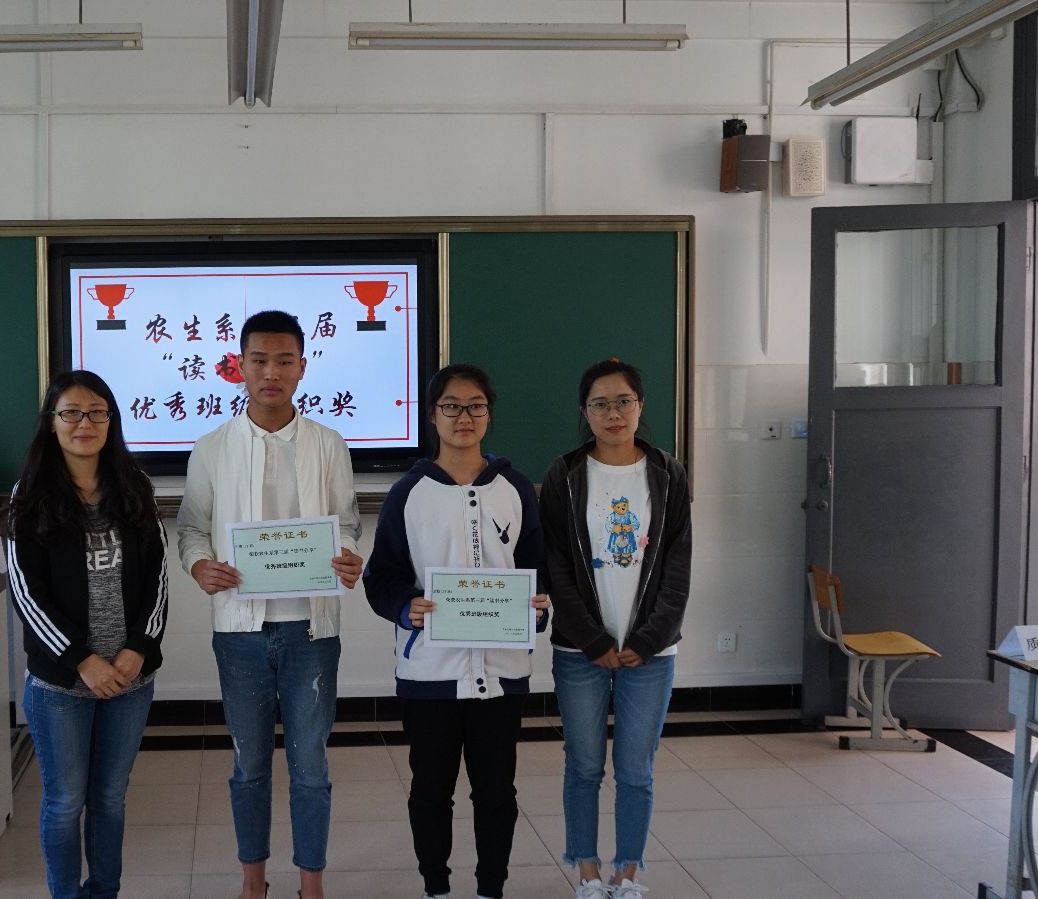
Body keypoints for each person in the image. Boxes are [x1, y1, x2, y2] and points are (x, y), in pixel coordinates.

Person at [175, 310, 363, 899]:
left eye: (285, 361)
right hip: (240, 631)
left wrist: (348, 554)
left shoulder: (328, 444)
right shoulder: (212, 447)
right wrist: (199, 565)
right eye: (259, 360)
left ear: (303, 367)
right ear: (240, 366)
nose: (272, 373)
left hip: (312, 630)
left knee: (311, 769)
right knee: (249, 765)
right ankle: (252, 883)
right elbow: (192, 528)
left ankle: (312, 885)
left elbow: (348, 522)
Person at [364, 363, 549, 899]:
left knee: (496, 792)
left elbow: (537, 570)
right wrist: (406, 608)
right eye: (451, 406)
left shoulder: (515, 488)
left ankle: (491, 887)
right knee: (430, 791)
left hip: (502, 674)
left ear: (489, 415)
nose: (463, 416)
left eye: (475, 406)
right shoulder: (408, 492)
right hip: (430, 675)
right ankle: (436, 888)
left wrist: (537, 609)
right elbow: (382, 579)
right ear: (432, 415)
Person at [4, 370, 168, 899]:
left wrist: (138, 648)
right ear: (51, 423)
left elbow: (158, 577)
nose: (85, 423)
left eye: (97, 412)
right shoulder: (29, 495)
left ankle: (104, 891)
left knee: (110, 799)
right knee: (64, 802)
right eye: (71, 413)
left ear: (111, 421)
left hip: (129, 678)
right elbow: (26, 593)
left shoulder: (134, 486)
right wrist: (82, 659)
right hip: (60, 685)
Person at [540, 358, 692, 899]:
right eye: (600, 404)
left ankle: (627, 874)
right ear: (585, 412)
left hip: (651, 654)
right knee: (583, 766)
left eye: (623, 401)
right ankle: (586, 870)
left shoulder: (668, 474)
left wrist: (648, 640)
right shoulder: (565, 474)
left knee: (635, 770)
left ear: (640, 406)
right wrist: (594, 639)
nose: (613, 413)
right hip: (580, 652)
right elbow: (556, 565)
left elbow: (678, 566)